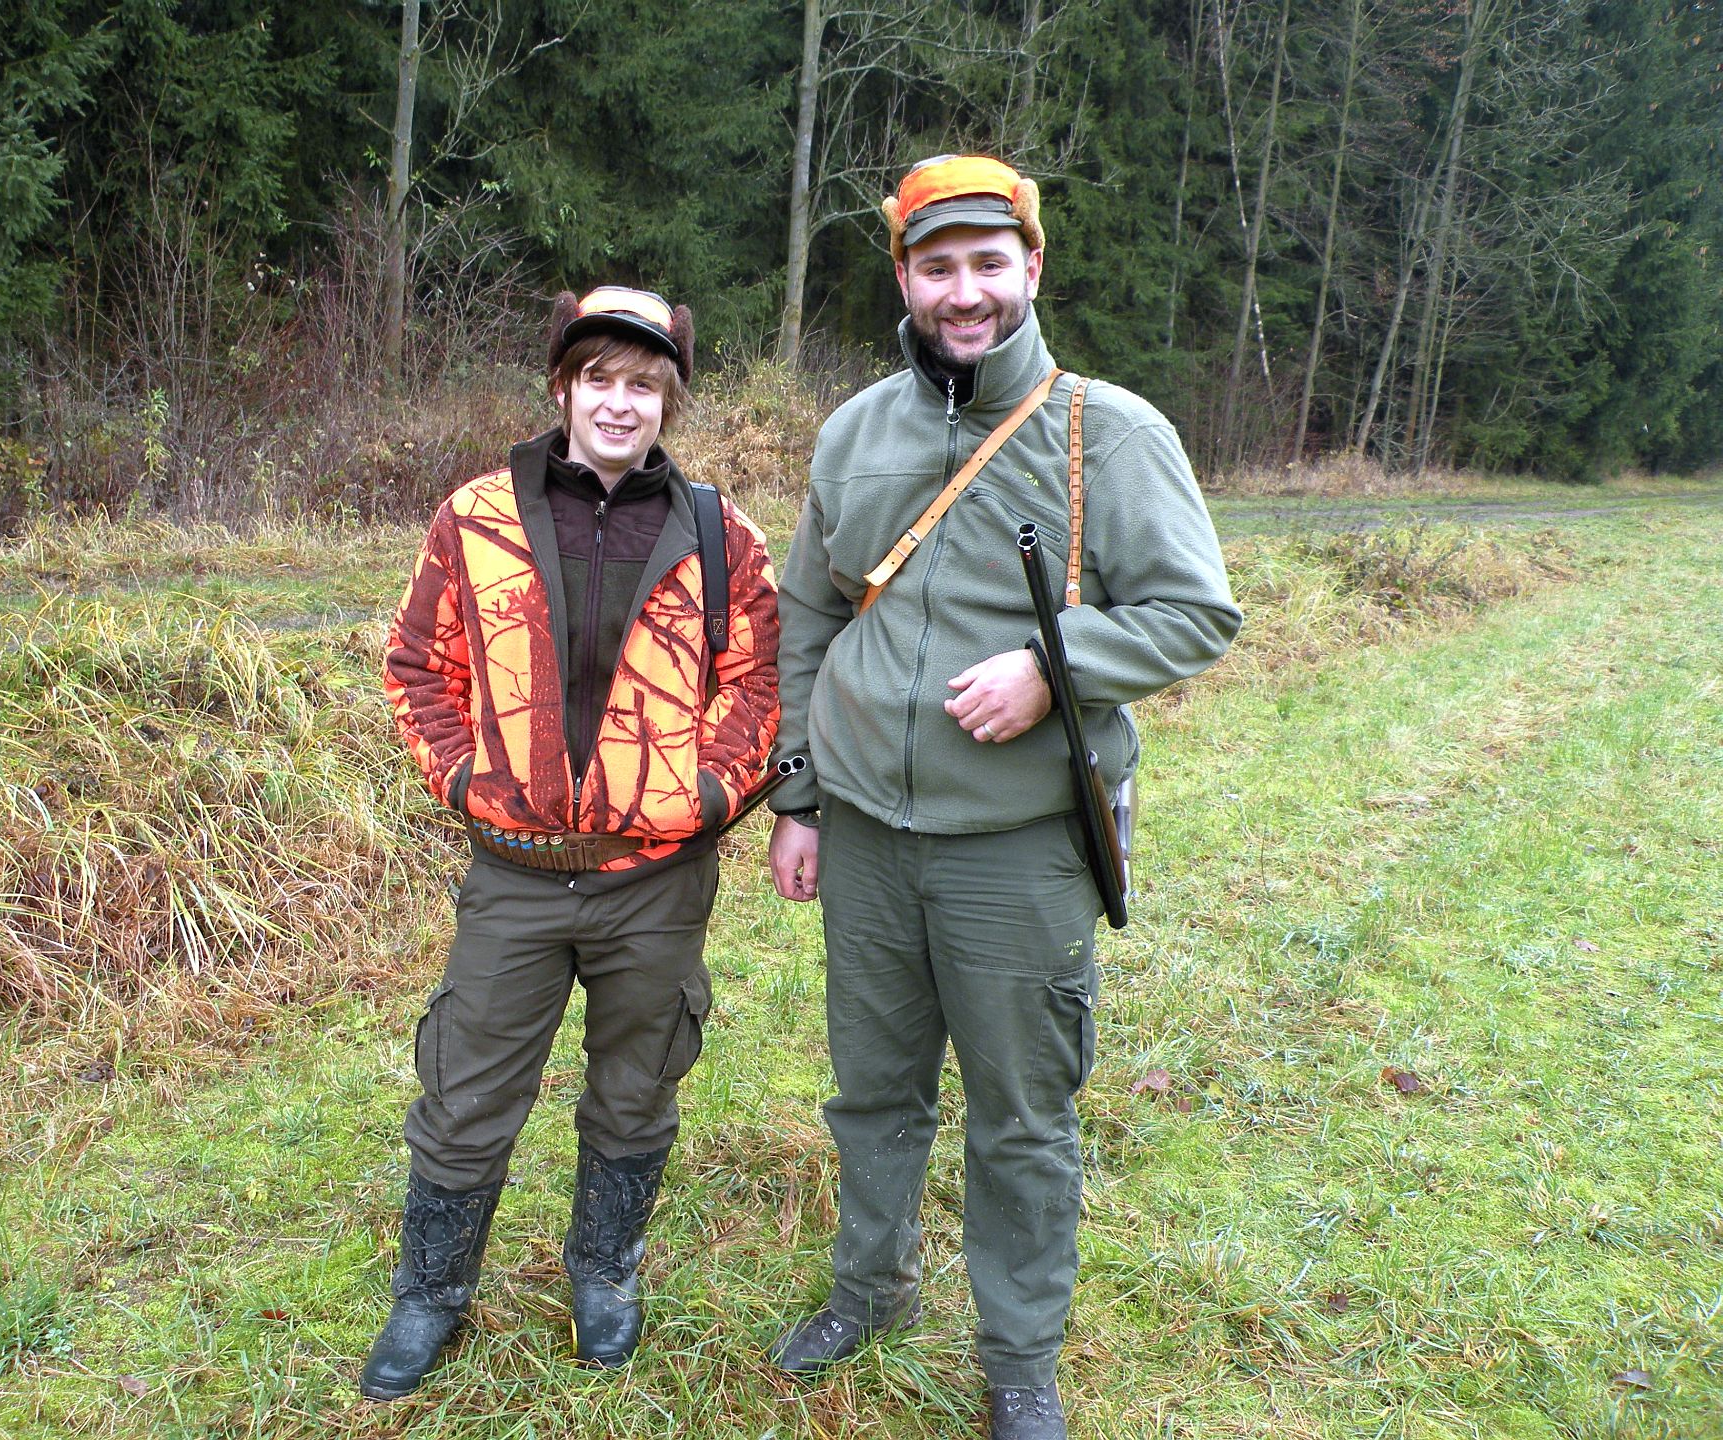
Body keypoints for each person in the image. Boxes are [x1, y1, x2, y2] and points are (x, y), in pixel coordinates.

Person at [764, 155, 1241, 1438]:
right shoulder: (853, 433)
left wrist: (1053, 668)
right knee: (872, 1091)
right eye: (937, 267)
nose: (963, 291)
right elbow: (807, 616)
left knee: (1022, 1116)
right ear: (904, 279)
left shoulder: (1110, 434)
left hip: (1018, 846)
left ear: (1032, 267)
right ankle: (868, 1292)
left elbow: (1197, 612)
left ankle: (1020, 1358)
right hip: (867, 834)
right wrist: (798, 796)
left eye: (988, 263)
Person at [366, 285, 780, 1400]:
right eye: (598, 378)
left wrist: (703, 795)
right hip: (516, 873)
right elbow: (418, 668)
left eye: (643, 384)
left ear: (668, 401)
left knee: (637, 1084)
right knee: (466, 1088)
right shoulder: (475, 517)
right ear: (562, 387)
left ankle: (603, 1272)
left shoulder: (720, 535)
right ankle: (431, 1293)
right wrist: (465, 779)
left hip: (655, 879)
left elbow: (758, 684)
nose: (618, 402)